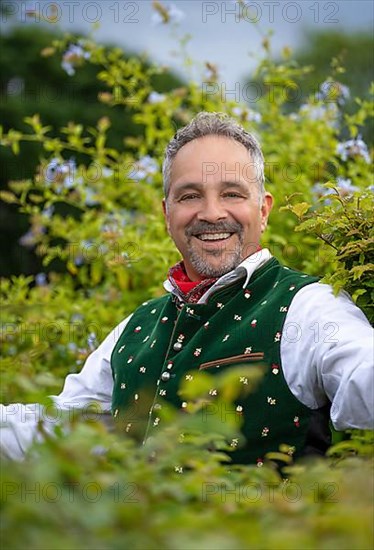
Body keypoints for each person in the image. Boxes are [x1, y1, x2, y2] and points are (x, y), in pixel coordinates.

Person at [1, 112, 373, 463]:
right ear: (167, 214)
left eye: (232, 193)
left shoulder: (310, 307)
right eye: (190, 195)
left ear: (263, 210)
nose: (211, 213)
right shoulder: (136, 328)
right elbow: (53, 427)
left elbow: (363, 375)